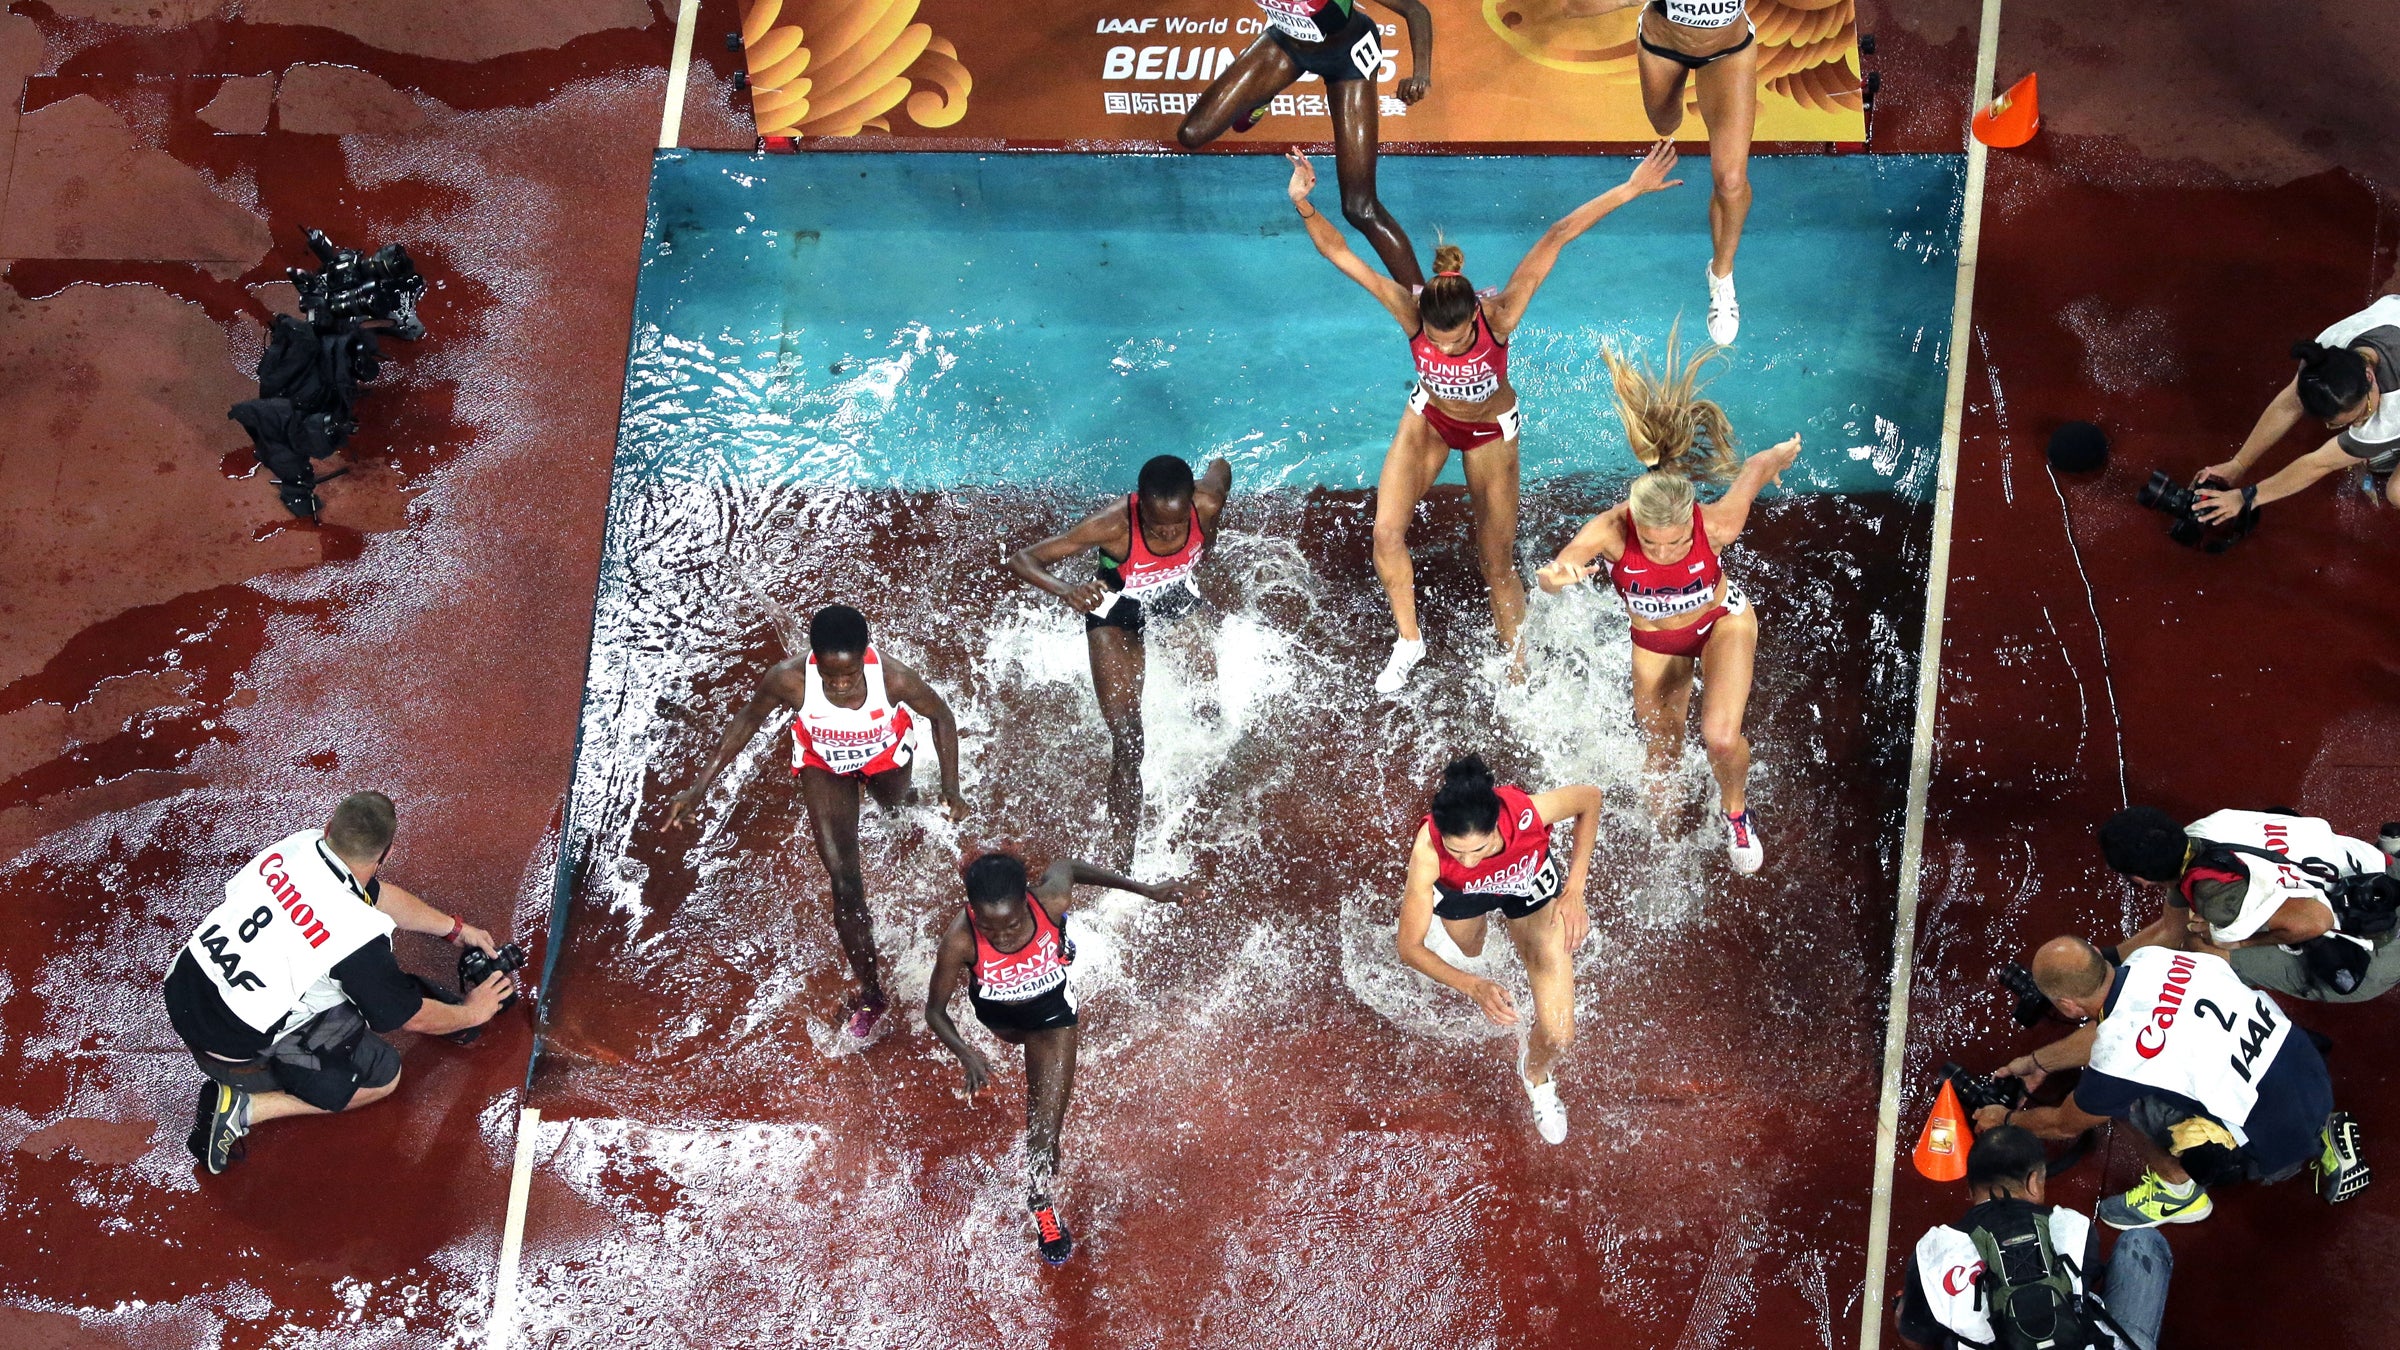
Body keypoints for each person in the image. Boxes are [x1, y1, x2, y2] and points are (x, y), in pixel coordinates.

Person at [1286, 141, 1686, 692]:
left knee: (1495, 561)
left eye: (1454, 343)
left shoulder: (1500, 316)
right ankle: (1409, 641)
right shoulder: (1411, 309)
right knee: (1385, 534)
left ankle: (1518, 669)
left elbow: (1557, 235)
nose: (1444, 350)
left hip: (1489, 433)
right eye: (1435, 342)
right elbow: (1341, 254)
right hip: (1429, 419)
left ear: (1475, 316)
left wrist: (1631, 188)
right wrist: (1304, 204)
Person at [163, 792, 515, 1173]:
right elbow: (409, 1017)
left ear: (329, 828)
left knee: (333, 975)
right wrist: (473, 1012)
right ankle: (245, 1108)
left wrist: (454, 930)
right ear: (387, 855)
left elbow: (376, 896)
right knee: (382, 1074)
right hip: (230, 1050)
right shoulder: (357, 937)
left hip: (183, 986)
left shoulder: (299, 846)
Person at [664, 604, 966, 1041]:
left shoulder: (894, 678)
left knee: (896, 810)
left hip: (885, 756)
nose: (840, 685)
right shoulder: (788, 679)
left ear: (866, 656)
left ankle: (907, 809)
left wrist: (952, 787)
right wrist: (698, 788)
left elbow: (941, 716)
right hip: (824, 765)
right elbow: (747, 719)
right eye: (829, 676)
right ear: (813, 659)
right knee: (844, 881)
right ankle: (872, 993)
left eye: (850, 675)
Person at [1534, 429, 1800, 873]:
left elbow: (1753, 470)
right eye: (1650, 542)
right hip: (1656, 642)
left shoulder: (1717, 525)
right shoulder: (1609, 530)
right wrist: (1553, 579)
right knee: (1661, 755)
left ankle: (1735, 811)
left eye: (1676, 543)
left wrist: (1777, 454)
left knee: (1720, 738)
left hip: (1721, 624)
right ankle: (1668, 847)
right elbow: (1559, 567)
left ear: (1691, 521)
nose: (1662, 552)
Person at [1983, 938, 2369, 1226]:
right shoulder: (2153, 958)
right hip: (2312, 1076)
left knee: (2117, 1103)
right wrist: (2038, 1062)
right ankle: (2321, 1132)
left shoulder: (2119, 1055)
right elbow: (2123, 1025)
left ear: (2067, 1006)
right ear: (2098, 956)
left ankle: (2177, 1191)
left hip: (2271, 1149)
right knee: (2159, 1068)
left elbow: (2064, 1124)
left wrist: (2004, 1121)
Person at [924, 851, 1186, 1265]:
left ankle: (1041, 1202)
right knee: (1021, 1050)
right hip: (1000, 1018)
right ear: (973, 911)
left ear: (1027, 901)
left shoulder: (1051, 899)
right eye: (990, 927)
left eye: (1012, 924)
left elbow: (1069, 866)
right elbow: (934, 1012)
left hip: (1051, 1016)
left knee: (1045, 1127)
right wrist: (967, 1054)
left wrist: (1145, 890)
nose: (1002, 936)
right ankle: (1052, 946)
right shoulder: (959, 939)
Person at [1006, 454, 1234, 866]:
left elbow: (1221, 467)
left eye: (1176, 523)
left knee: (1208, 711)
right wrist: (1066, 590)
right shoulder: (1112, 523)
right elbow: (1023, 559)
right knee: (1129, 742)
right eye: (1156, 524)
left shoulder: (1208, 501)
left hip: (1176, 594)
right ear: (1139, 505)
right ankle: (1122, 866)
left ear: (1191, 501)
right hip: (1116, 611)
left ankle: (1209, 808)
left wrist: (1209, 539)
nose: (1168, 531)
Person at [1395, 755, 1601, 1143]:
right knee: (1471, 951)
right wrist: (1473, 985)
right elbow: (1408, 947)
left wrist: (1575, 890)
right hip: (1463, 893)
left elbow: (1589, 798)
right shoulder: (1429, 852)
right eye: (1457, 851)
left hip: (1526, 883)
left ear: (1496, 826)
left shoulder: (1526, 813)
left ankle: (1536, 1076)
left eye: (1479, 848)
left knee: (1559, 1036)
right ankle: (1441, 919)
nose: (1469, 860)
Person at [1178, 0, 1432, 287]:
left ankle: (1425, 299)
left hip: (1348, 58)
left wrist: (1421, 75)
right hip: (1286, 48)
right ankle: (1262, 94)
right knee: (1191, 134)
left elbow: (1416, 10)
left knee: (1360, 208)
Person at [1557, 0, 1761, 343]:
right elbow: (1573, 7)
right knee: (1665, 123)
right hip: (1663, 47)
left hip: (1728, 52)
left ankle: (1721, 276)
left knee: (1730, 180)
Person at [1895, 1126, 2171, 1350]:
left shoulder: (1933, 1250)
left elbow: (1914, 1336)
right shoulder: (2073, 1226)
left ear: (1970, 1190)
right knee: (2143, 1240)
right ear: (2033, 1181)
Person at [2100, 805, 2400, 1003]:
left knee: (2204, 947)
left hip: (2380, 949)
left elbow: (2315, 920)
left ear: (2141, 880)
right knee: (2197, 927)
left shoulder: (2215, 899)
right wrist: (2105, 959)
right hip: (2382, 876)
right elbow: (2172, 927)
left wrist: (2242, 942)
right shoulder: (2205, 828)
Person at [2193, 293, 2400, 522]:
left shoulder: (2393, 409)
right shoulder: (2324, 355)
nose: (2360, 423)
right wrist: (2238, 464)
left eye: (2363, 411)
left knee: (2397, 492)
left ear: (2369, 376)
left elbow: (2320, 463)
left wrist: (2248, 498)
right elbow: (2289, 404)